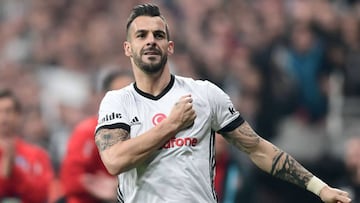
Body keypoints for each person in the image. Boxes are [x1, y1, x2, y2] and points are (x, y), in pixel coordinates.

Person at [94, 3, 351, 203]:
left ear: (170, 46)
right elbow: (115, 160)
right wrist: (171, 125)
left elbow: (257, 148)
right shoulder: (117, 101)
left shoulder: (204, 94)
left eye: (158, 35)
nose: (151, 40)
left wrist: (319, 187)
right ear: (128, 48)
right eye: (142, 35)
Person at [60, 70, 133, 203]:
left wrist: (117, 185)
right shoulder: (87, 132)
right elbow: (71, 180)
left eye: (131, 94)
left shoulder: (146, 131)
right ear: (106, 98)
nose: (126, 101)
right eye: (120, 94)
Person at [0, 88, 54, 202]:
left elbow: (42, 193)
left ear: (18, 116)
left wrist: (14, 171)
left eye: (8, 111)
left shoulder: (37, 154)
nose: (3, 117)